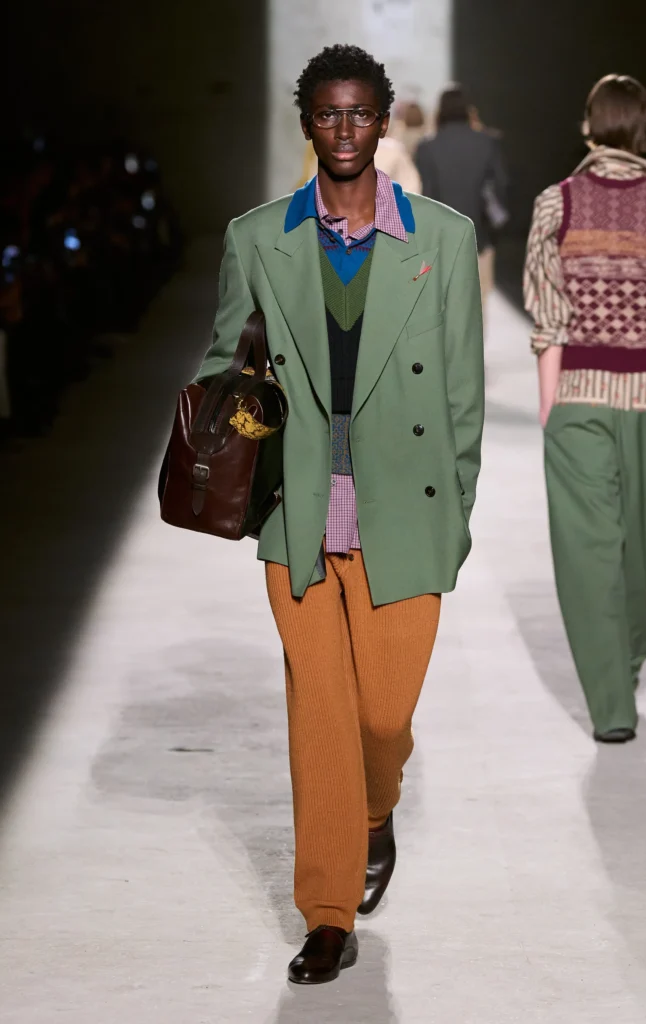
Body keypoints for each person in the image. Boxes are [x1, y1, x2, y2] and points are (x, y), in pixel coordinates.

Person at [195, 44, 484, 983]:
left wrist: (456, 510)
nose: (346, 129)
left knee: (383, 713)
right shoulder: (257, 237)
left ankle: (373, 807)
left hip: (407, 505)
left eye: (361, 113)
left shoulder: (440, 238)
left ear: (384, 120)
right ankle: (326, 912)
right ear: (308, 123)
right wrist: (240, 411)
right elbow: (218, 367)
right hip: (300, 507)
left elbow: (462, 395)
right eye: (328, 113)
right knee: (319, 713)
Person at [524, 74, 646, 744]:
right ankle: (617, 688)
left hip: (577, 396)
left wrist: (548, 406)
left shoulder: (554, 205)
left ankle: (612, 688)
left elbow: (548, 320)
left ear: (589, 127)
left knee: (589, 552)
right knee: (633, 543)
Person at [416, 84, 508, 320]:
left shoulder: (427, 148)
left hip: (440, 240)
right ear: (468, 110)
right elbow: (501, 186)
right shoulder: (487, 143)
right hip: (480, 236)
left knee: (443, 305)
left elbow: (425, 194)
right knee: (477, 303)